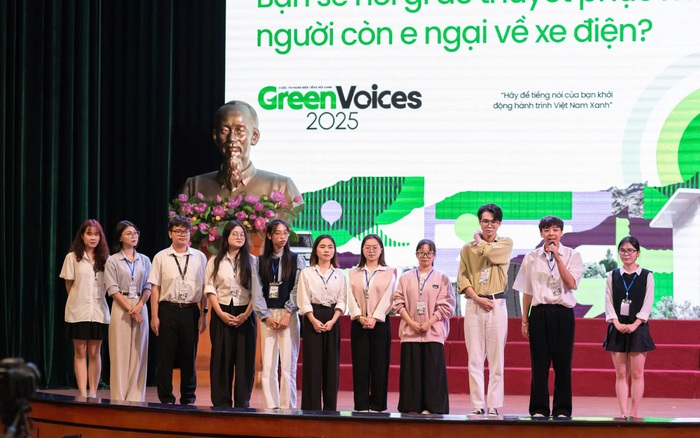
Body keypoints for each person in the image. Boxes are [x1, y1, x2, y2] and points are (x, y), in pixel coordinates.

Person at [513, 216, 583, 418]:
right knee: (539, 364)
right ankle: (539, 408)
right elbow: (527, 291)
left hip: (563, 313)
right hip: (539, 313)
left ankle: (562, 409)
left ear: (561, 232)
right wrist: (525, 320)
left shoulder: (572, 255)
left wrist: (558, 258)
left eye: (555, 230)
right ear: (541, 233)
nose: (551, 233)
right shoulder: (531, 257)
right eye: (546, 230)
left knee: (563, 364)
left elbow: (571, 284)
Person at [179, 100, 303, 211]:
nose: (232, 138)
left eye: (240, 131)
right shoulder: (193, 186)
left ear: (254, 136)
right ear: (215, 137)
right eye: (224, 131)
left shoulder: (281, 187)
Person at [457, 204, 513, 417]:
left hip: (497, 304)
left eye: (493, 222)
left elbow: (490, 253)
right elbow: (462, 278)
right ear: (479, 222)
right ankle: (477, 404)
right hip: (474, 304)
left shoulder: (505, 244)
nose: (489, 225)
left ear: (499, 224)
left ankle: (493, 404)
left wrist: (479, 241)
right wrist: (477, 298)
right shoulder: (467, 249)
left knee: (496, 357)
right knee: (475, 357)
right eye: (485, 221)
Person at [147, 216, 208, 405]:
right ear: (170, 234)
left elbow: (205, 287)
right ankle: (166, 398)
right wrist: (154, 316)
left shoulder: (199, 257)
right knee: (165, 356)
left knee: (189, 356)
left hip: (191, 310)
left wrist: (204, 314)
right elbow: (155, 288)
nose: (182, 234)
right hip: (168, 309)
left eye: (186, 231)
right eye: (178, 231)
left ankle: (188, 398)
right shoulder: (161, 257)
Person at [393, 239, 455, 414]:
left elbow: (447, 305)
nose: (425, 256)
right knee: (411, 372)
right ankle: (411, 406)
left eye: (429, 253)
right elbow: (398, 302)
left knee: (432, 373)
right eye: (421, 252)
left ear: (434, 255)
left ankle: (432, 406)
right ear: (416, 255)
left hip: (433, 331)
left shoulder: (442, 278)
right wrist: (411, 322)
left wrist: (429, 323)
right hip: (410, 331)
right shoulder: (405, 277)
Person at [204, 220, 259, 408]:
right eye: (235, 234)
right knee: (221, 359)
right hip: (222, 311)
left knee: (245, 360)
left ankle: (242, 402)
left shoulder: (253, 261)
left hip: (245, 313)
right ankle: (221, 402)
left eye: (242, 234)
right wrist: (219, 313)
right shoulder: (215, 261)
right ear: (226, 236)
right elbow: (210, 288)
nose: (239, 237)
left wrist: (246, 314)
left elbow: (257, 291)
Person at [252, 219, 306, 409]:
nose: (282, 237)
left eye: (285, 233)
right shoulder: (259, 261)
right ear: (269, 235)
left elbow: (299, 287)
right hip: (267, 315)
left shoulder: (296, 259)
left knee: (288, 366)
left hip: (288, 315)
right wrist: (265, 316)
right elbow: (257, 291)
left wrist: (288, 313)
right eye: (278, 233)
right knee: (268, 365)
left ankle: (287, 406)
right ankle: (270, 406)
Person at [603, 236, 655, 419]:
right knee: (621, 374)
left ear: (637, 253)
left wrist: (635, 323)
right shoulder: (612, 275)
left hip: (638, 328)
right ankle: (623, 412)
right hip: (617, 328)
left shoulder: (647, 275)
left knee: (637, 373)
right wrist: (616, 323)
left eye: (630, 250)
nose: (626, 254)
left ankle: (634, 413)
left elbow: (648, 303)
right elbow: (608, 301)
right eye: (623, 250)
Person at [59, 219, 110, 398]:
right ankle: (82, 392)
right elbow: (69, 284)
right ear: (82, 235)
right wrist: (79, 299)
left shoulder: (106, 259)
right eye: (89, 234)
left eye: (96, 234)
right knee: (80, 351)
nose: (93, 238)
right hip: (78, 311)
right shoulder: (72, 257)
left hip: (98, 311)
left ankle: (93, 392)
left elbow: (107, 286)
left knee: (95, 352)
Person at [297, 234, 347, 411]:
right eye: (322, 246)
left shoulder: (340, 274)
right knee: (312, 364)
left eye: (330, 247)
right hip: (313, 316)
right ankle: (311, 408)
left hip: (333, 318)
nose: (326, 250)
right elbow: (303, 299)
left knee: (331, 365)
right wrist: (312, 319)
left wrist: (333, 320)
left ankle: (330, 408)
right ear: (316, 250)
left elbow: (342, 300)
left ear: (334, 251)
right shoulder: (307, 273)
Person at [347, 234, 396, 412]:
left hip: (380, 323)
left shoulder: (389, 272)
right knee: (360, 364)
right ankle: (361, 404)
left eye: (375, 247)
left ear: (381, 250)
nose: (371, 251)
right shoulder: (353, 273)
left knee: (380, 364)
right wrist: (359, 316)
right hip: (359, 322)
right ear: (362, 250)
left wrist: (375, 317)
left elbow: (389, 297)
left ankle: (377, 405)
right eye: (367, 247)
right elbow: (350, 296)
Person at [104, 220, 152, 402]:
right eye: (129, 233)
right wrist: (130, 310)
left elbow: (148, 286)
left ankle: (136, 395)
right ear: (120, 237)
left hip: (141, 304)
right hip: (121, 305)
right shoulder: (112, 260)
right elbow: (112, 288)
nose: (134, 236)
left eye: (135, 233)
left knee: (139, 352)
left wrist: (139, 307)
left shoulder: (145, 260)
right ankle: (119, 396)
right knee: (120, 352)